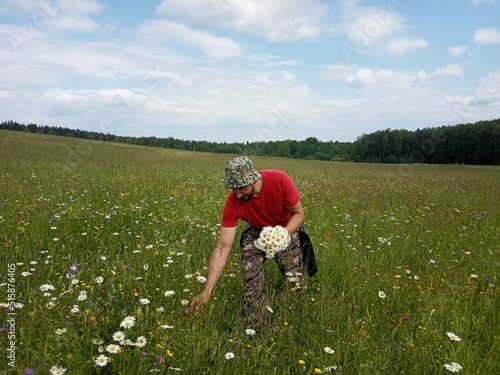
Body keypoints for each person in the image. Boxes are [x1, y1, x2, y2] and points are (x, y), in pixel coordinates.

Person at [189, 156, 317, 329]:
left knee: (294, 278)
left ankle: (296, 318)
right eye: (233, 189)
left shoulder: (280, 180)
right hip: (256, 230)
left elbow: (298, 214)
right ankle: (255, 326)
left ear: (254, 179)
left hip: (286, 228)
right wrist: (207, 292)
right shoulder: (234, 202)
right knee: (251, 279)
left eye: (241, 188)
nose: (237, 194)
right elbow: (222, 247)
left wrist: (281, 235)